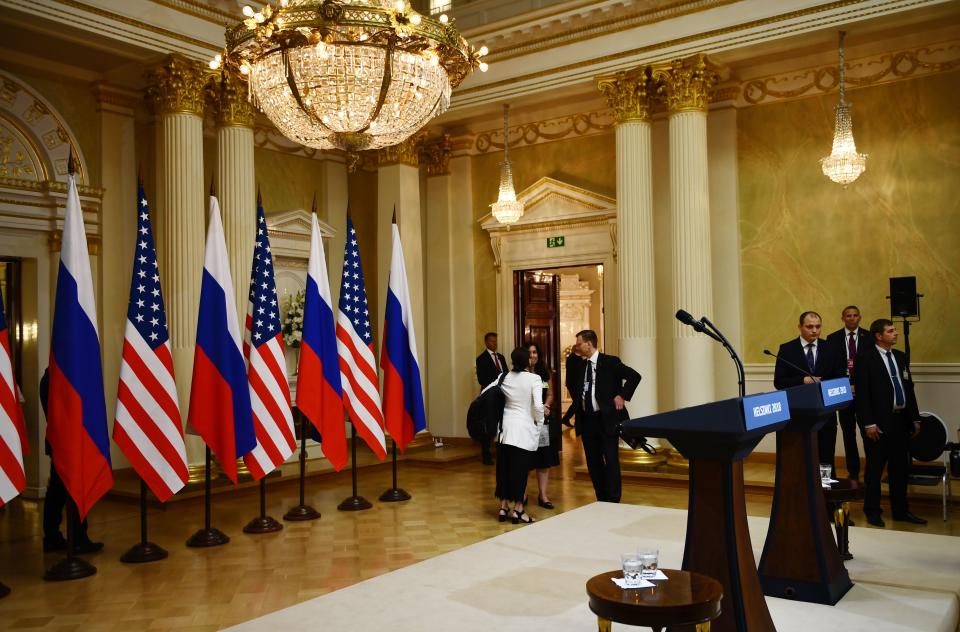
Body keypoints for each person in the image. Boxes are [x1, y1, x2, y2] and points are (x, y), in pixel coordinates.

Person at [856, 319, 926, 527]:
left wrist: (915, 417)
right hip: (877, 424)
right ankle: (872, 510)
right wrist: (868, 423)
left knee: (899, 469)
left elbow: (908, 389)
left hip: (900, 421)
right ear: (878, 335)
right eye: (891, 331)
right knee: (875, 470)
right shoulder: (865, 358)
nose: (896, 334)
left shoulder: (900, 357)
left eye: (895, 330)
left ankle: (900, 511)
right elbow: (862, 395)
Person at [566, 330, 641, 503]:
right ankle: (601, 497)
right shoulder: (580, 366)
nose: (576, 346)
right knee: (593, 463)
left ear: (589, 344)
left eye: (579, 343)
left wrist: (621, 395)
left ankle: (614, 499)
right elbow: (575, 388)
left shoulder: (610, 362)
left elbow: (634, 376)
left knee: (611, 461)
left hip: (606, 420)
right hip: (587, 421)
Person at [772, 311, 844, 476]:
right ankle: (801, 496)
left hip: (826, 414)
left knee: (826, 457)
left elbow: (840, 378)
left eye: (818, 326)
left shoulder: (831, 348)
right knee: (800, 459)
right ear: (800, 327)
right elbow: (779, 382)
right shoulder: (787, 349)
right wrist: (802, 380)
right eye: (809, 326)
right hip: (798, 414)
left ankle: (828, 497)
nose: (814, 330)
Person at [40, 368, 103, 554]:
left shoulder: (55, 375)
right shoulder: (56, 377)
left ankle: (54, 537)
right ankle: (77, 538)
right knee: (68, 489)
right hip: (66, 441)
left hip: (66, 441)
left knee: (58, 491)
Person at [495, 346, 544, 524]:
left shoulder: (503, 377)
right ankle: (518, 510)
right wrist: (539, 422)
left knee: (504, 469)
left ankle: (503, 506)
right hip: (523, 431)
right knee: (520, 471)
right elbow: (538, 407)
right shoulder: (534, 378)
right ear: (528, 361)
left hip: (505, 431)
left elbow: (487, 393)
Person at [825, 305, 869, 480]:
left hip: (864, 392)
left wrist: (860, 385)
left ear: (860, 317)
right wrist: (844, 385)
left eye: (855, 315)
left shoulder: (869, 337)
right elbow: (830, 366)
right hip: (843, 391)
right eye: (848, 316)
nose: (852, 318)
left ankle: (871, 471)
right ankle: (853, 471)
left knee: (867, 432)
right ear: (842, 318)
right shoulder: (832, 338)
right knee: (848, 433)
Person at [525, 341, 558, 509]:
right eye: (530, 353)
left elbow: (550, 394)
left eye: (535, 352)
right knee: (525, 460)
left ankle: (543, 496)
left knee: (543, 460)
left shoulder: (545, 373)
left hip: (542, 423)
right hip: (526, 422)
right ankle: (522, 494)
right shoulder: (520, 374)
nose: (533, 356)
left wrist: (546, 406)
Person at [475, 332, 507, 465]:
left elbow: (506, 374)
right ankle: (486, 455)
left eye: (496, 341)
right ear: (486, 342)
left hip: (502, 395)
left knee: (503, 424)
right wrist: (496, 383)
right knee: (489, 425)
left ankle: (501, 452)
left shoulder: (501, 357)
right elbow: (482, 379)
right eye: (492, 341)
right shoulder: (481, 359)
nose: (495, 343)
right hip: (489, 395)